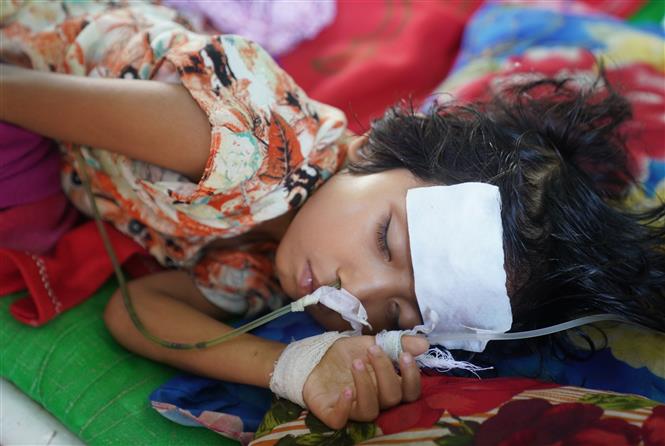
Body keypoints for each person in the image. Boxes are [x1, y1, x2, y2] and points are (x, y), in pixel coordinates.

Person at [2, 0, 664, 430]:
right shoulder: (240, 145)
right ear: (377, 148)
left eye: (397, 314)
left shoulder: (266, 269)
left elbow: (137, 311)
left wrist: (291, 365)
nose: (357, 292)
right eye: (385, 239)